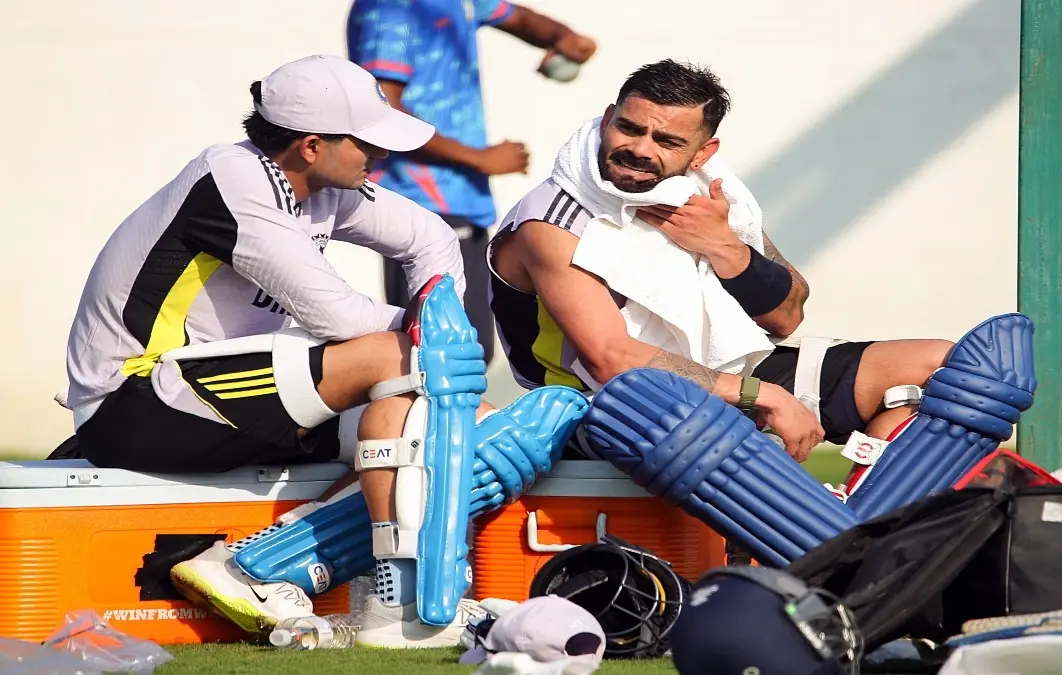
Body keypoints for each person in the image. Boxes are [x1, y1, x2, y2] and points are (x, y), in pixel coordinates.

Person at [60, 54, 587, 648]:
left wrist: (443, 333)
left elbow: (432, 238)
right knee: (402, 360)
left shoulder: (321, 181)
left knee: (477, 433)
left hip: (227, 399)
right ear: (311, 145)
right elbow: (336, 317)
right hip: (134, 401)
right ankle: (377, 601)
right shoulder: (233, 180)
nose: (382, 157)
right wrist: (438, 339)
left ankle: (305, 582)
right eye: (367, 142)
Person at [487, 59, 954, 465]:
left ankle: (864, 527)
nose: (641, 149)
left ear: (702, 153)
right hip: (603, 408)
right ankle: (807, 538)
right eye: (629, 128)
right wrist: (763, 395)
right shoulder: (552, 221)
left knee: (946, 370)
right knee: (701, 435)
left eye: (667, 140)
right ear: (609, 119)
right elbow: (612, 360)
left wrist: (725, 246)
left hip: (730, 374)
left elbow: (787, 315)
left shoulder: (706, 194)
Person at [346, 0, 597, 366]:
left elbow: (518, 18)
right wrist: (480, 159)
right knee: (439, 355)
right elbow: (384, 110)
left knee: (473, 349)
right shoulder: (391, 7)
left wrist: (563, 37)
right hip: (420, 203)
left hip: (463, 202)